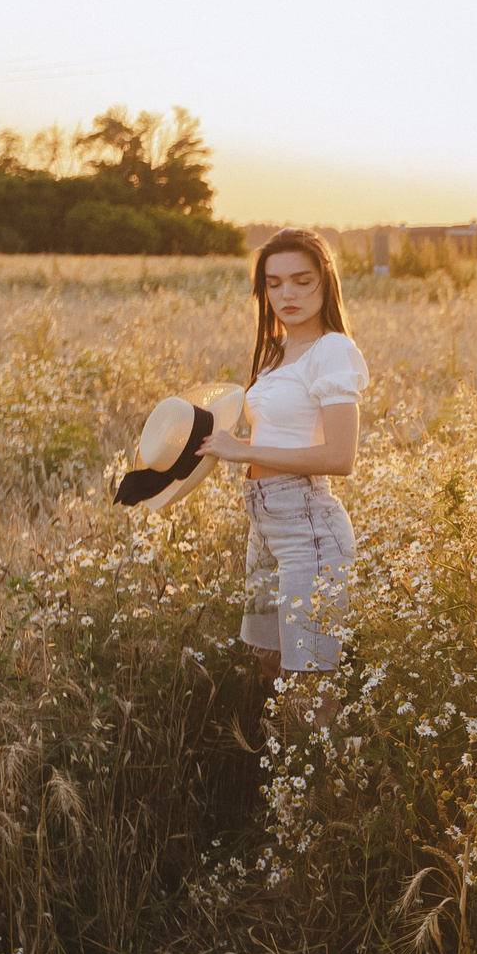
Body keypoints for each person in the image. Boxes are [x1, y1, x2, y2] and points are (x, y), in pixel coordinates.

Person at [197, 228, 367, 682]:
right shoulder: (278, 352)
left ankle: (321, 733)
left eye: (301, 280)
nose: (286, 294)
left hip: (308, 526)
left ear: (326, 282)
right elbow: (281, 431)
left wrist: (243, 450)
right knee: (269, 662)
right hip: (264, 524)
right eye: (274, 283)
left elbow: (340, 457)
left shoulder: (333, 350)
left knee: (308, 679)